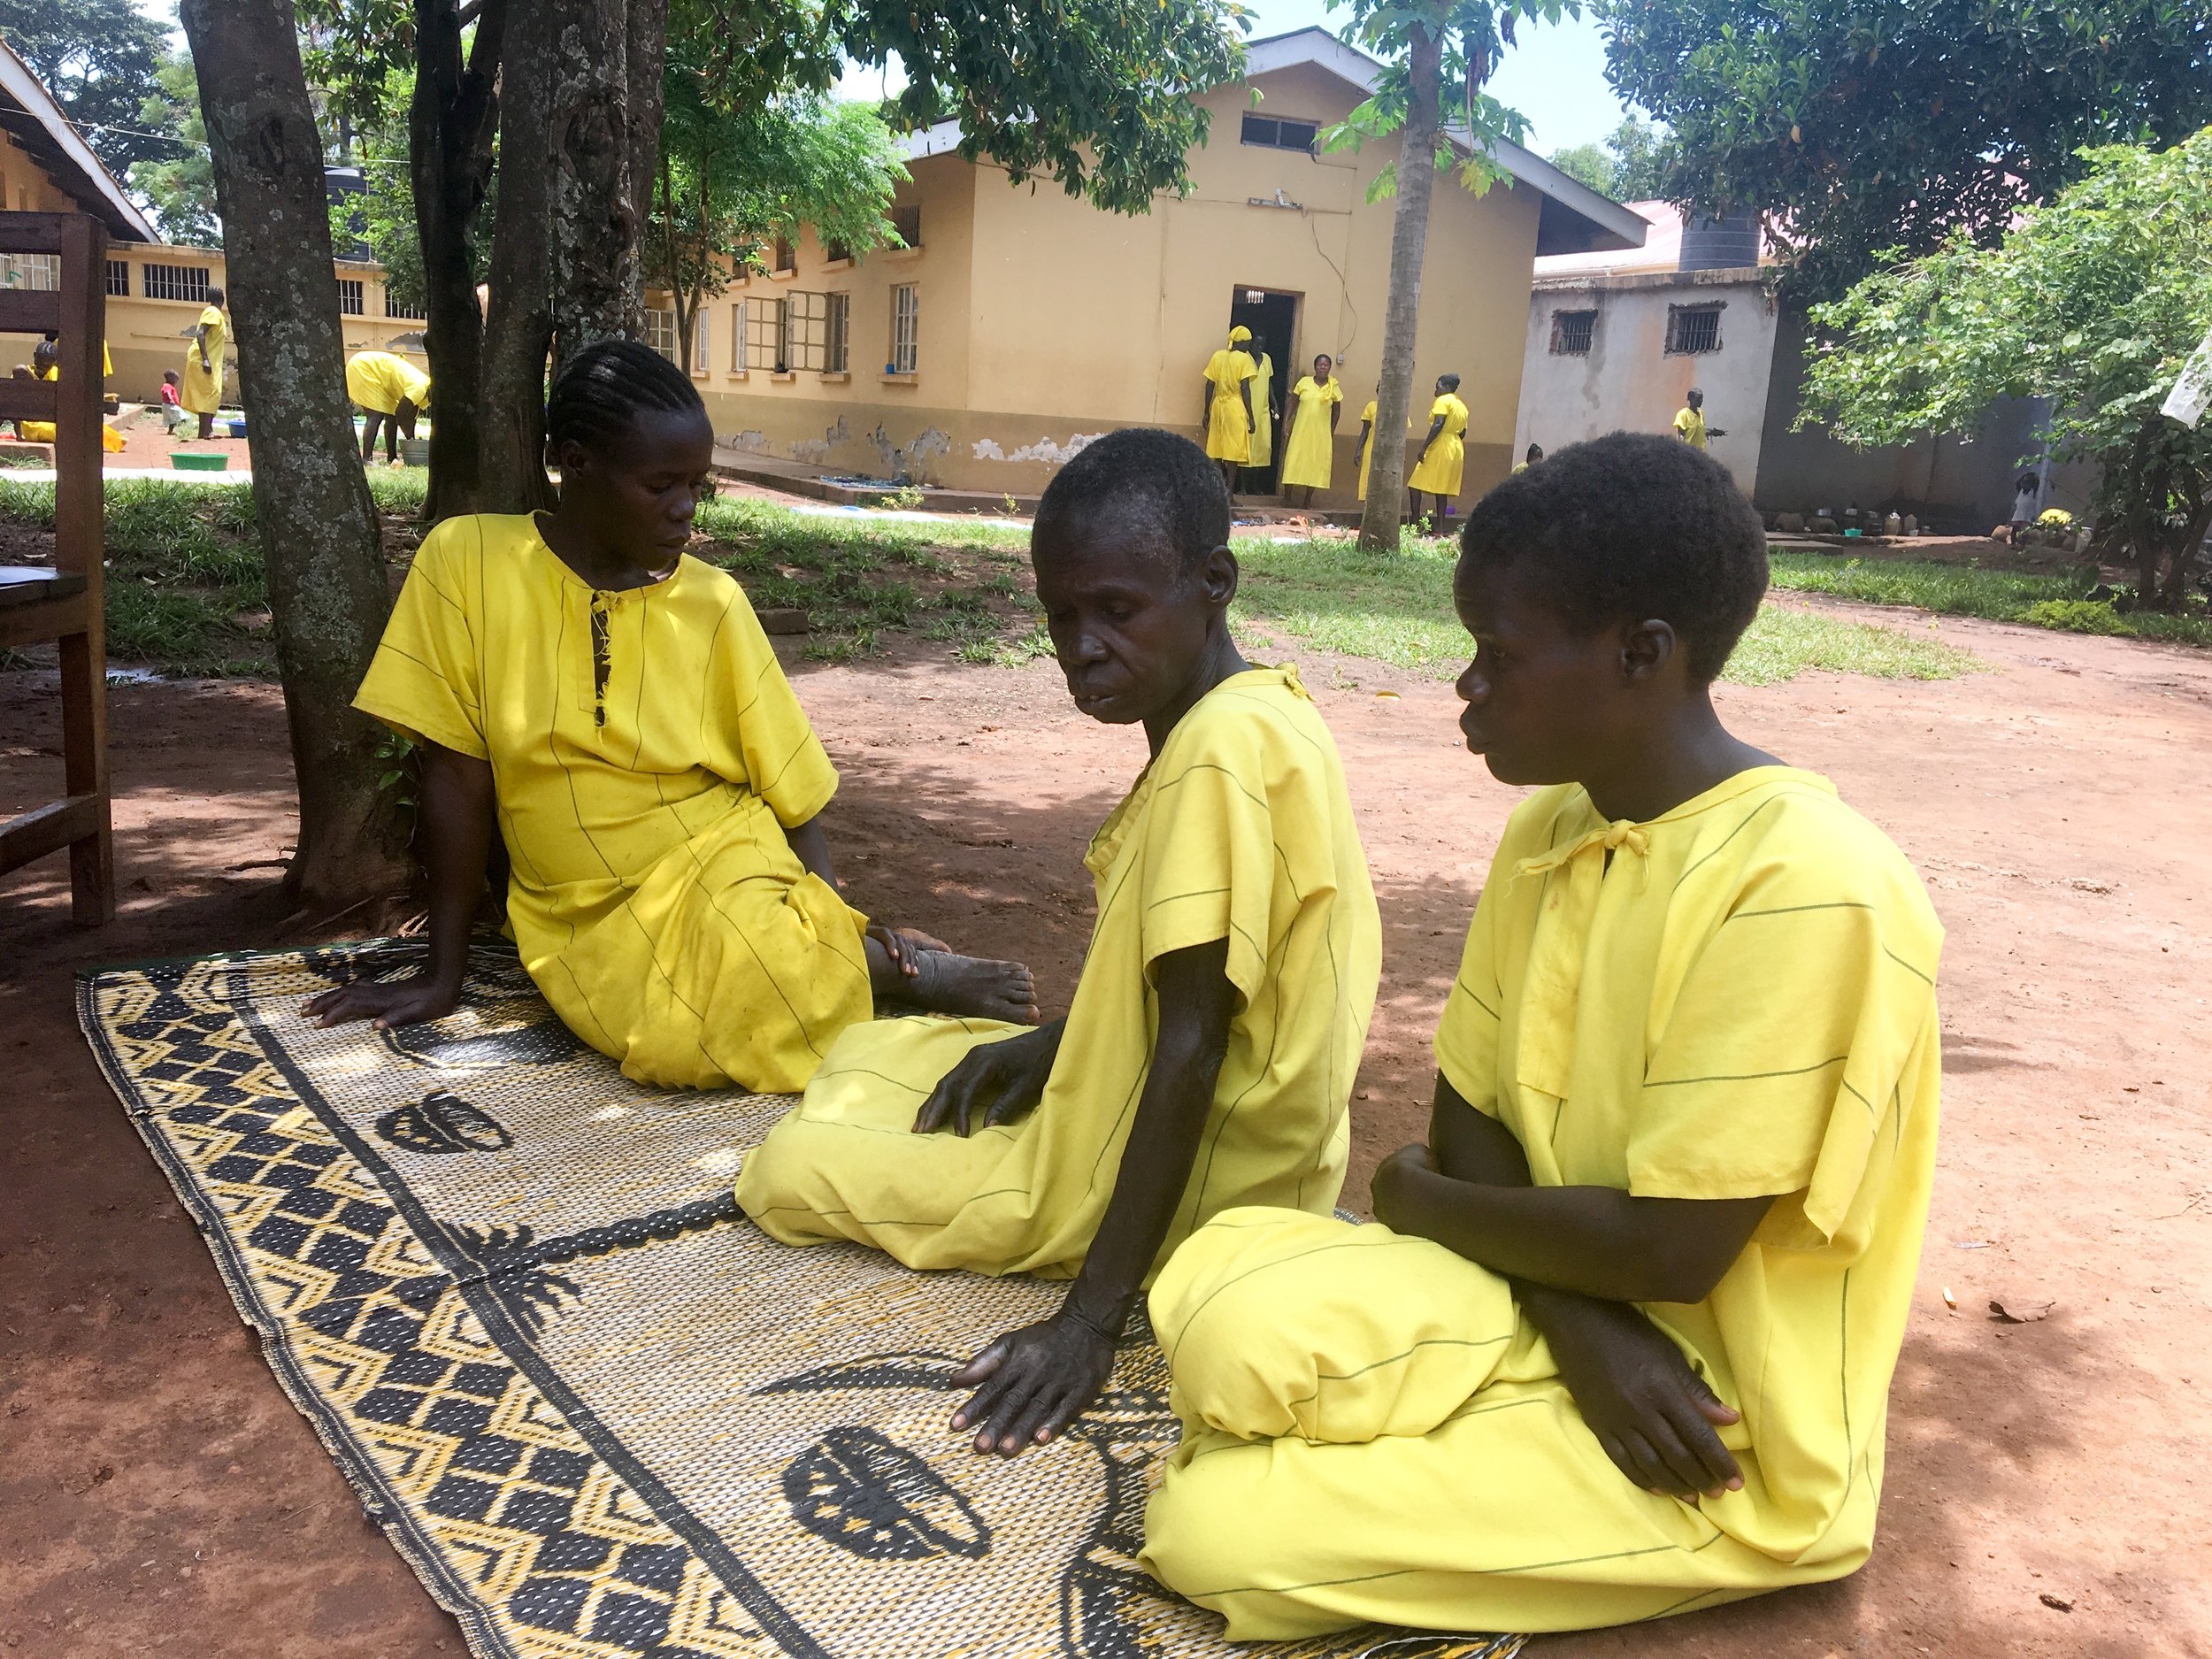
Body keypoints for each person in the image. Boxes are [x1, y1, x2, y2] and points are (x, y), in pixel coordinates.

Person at [1140, 431, 1944, 1640]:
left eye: (1497, 654)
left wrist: (1411, 1198)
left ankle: (1689, 1515)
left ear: (1641, 655)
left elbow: (1673, 1252)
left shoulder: (1808, 882)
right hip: (1565, 1309)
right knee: (1217, 1302)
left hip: (1709, 1424)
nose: (1466, 686)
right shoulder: (1557, 827)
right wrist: (1577, 1322)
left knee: (1213, 1530)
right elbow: (1467, 1118)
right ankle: (1471, 1415)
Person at [737, 427, 1382, 1457]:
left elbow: (1195, 1045)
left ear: (1212, 582)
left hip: (1202, 1180)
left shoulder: (1218, 755)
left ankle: (1078, 1245)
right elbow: (1195, 991)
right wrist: (1053, 1047)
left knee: (786, 1168)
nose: (1081, 645)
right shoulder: (1255, 712)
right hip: (1250, 1143)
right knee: (872, 1057)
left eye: (1115, 612)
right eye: (1060, 615)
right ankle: (1019, 1090)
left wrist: (1088, 1322)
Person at [307, 340, 1036, 1090]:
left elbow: (788, 784)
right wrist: (443, 976)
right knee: (666, 1038)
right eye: (660, 484)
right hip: (578, 911)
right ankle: (865, 970)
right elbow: (456, 780)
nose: (685, 507)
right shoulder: (465, 563)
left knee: (760, 963)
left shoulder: (714, 603)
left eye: (696, 484)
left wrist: (828, 916)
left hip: (723, 857)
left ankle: (885, 966)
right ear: (575, 461)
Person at [1200, 326, 1257, 496]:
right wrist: (1251, 416)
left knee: (1217, 450)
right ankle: (1229, 494)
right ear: (1243, 343)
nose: (1249, 346)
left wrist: (1207, 411)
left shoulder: (1218, 356)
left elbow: (1209, 385)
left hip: (1218, 405)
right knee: (1233, 453)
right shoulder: (1244, 359)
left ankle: (1218, 491)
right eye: (1248, 342)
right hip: (1234, 406)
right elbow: (1245, 388)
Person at [1279, 354, 1342, 508]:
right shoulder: (1304, 383)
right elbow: (1292, 403)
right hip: (1301, 429)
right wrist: (1286, 423)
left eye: (1326, 365)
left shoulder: (1333, 386)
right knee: (1294, 459)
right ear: (1315, 367)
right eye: (1320, 365)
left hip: (1320, 433)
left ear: (1329, 367)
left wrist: (1331, 430)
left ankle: (1307, 500)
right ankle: (1287, 497)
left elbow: (1337, 412)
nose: (1323, 367)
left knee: (1315, 464)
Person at [346, 349, 432, 465]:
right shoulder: (419, 389)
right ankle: (367, 459)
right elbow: (401, 415)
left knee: (390, 417)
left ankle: (392, 458)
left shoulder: (427, 392)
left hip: (377, 375)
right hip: (364, 367)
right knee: (376, 415)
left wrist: (411, 438)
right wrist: (411, 440)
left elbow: (408, 417)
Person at [1407, 372, 1468, 525]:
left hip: (1440, 445)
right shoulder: (1461, 405)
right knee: (1442, 488)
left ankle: (1414, 523)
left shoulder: (1443, 401)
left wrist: (1424, 447)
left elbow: (1438, 423)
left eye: (1438, 386)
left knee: (1414, 484)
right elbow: (1463, 433)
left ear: (1446, 387)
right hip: (1455, 447)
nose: (1435, 390)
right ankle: (1440, 526)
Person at [181, 285, 227, 440]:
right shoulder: (213, 312)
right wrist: (206, 360)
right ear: (222, 299)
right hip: (203, 358)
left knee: (211, 393)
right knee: (211, 392)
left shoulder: (217, 315)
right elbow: (200, 333)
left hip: (211, 359)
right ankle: (205, 430)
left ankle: (207, 429)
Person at [1245, 343, 1277, 485]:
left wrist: (1274, 403)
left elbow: (1269, 383)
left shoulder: (1267, 359)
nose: (1259, 347)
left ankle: (1254, 485)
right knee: (1246, 449)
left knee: (1263, 447)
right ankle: (1242, 486)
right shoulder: (1244, 358)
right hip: (1246, 409)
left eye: (1262, 344)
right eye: (1256, 344)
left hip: (1263, 410)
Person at [1672, 387, 1725, 451]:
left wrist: (1712, 432)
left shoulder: (1701, 413)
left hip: (1701, 453)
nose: (1700, 401)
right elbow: (1680, 436)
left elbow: (1699, 430)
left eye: (1701, 398)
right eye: (1698, 399)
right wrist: (1683, 453)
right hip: (1689, 453)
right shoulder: (1683, 414)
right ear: (1690, 399)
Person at [2008, 470, 2041, 545]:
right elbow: (2017, 483)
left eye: (2027, 483)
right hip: (2018, 514)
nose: (2025, 485)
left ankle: (2022, 545)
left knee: (2025, 533)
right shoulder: (2021, 491)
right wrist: (2026, 475)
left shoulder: (2033, 492)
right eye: (2024, 483)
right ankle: (2013, 544)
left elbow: (2037, 484)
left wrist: (2033, 476)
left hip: (2026, 515)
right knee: (2014, 530)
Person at [158, 370, 186, 434]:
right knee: (181, 414)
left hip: (170, 405)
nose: (177, 380)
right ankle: (183, 423)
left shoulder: (170, 386)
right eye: (176, 378)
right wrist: (171, 399)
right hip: (169, 405)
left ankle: (170, 431)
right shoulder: (167, 386)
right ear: (170, 378)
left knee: (172, 420)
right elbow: (167, 392)